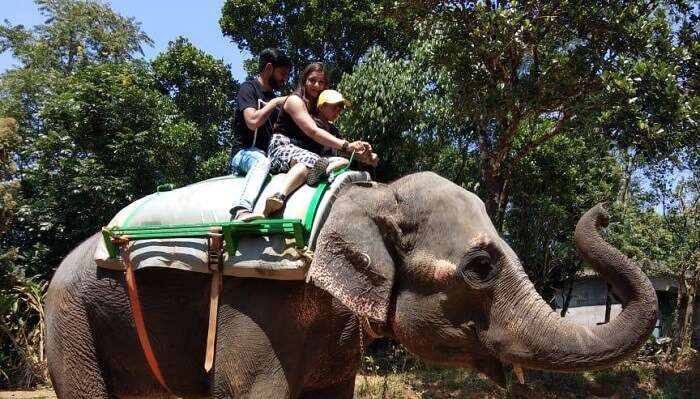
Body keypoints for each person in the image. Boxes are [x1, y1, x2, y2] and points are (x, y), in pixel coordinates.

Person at [264, 63, 377, 216]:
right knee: (312, 159)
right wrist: (346, 145)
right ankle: (279, 196)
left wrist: (367, 155)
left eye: (321, 82)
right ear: (304, 80)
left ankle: (319, 172)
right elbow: (313, 131)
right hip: (283, 146)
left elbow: (346, 150)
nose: (316, 85)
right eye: (312, 80)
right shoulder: (295, 101)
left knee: (339, 162)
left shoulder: (319, 116)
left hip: (300, 153)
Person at [229, 48, 292, 221]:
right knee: (262, 161)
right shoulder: (248, 88)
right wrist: (275, 103)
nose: (284, 79)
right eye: (282, 73)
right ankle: (242, 209)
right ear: (269, 68)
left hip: (268, 156)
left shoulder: (273, 97)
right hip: (243, 154)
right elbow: (252, 121)